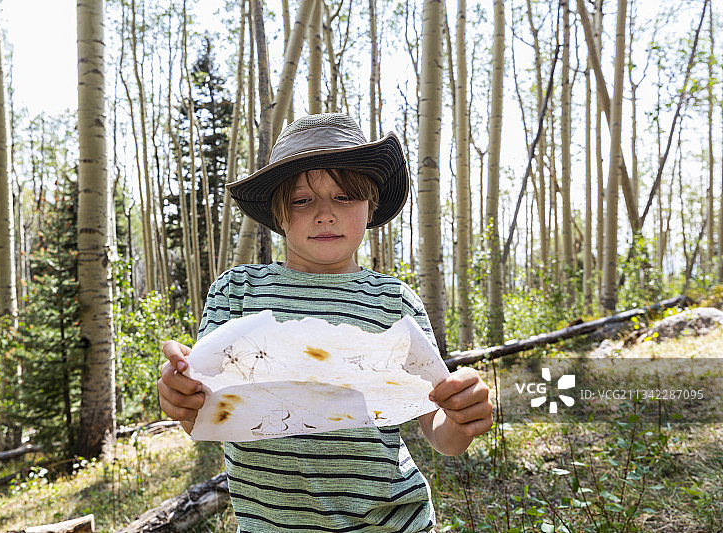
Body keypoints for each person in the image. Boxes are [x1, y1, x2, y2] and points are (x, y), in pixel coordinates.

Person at [157, 113, 493, 532]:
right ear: (278, 214)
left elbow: (439, 432)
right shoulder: (236, 292)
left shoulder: (393, 302)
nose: (325, 214)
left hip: (391, 524)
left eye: (345, 196)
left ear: (371, 206)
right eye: (302, 200)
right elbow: (202, 412)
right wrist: (179, 395)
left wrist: (462, 418)